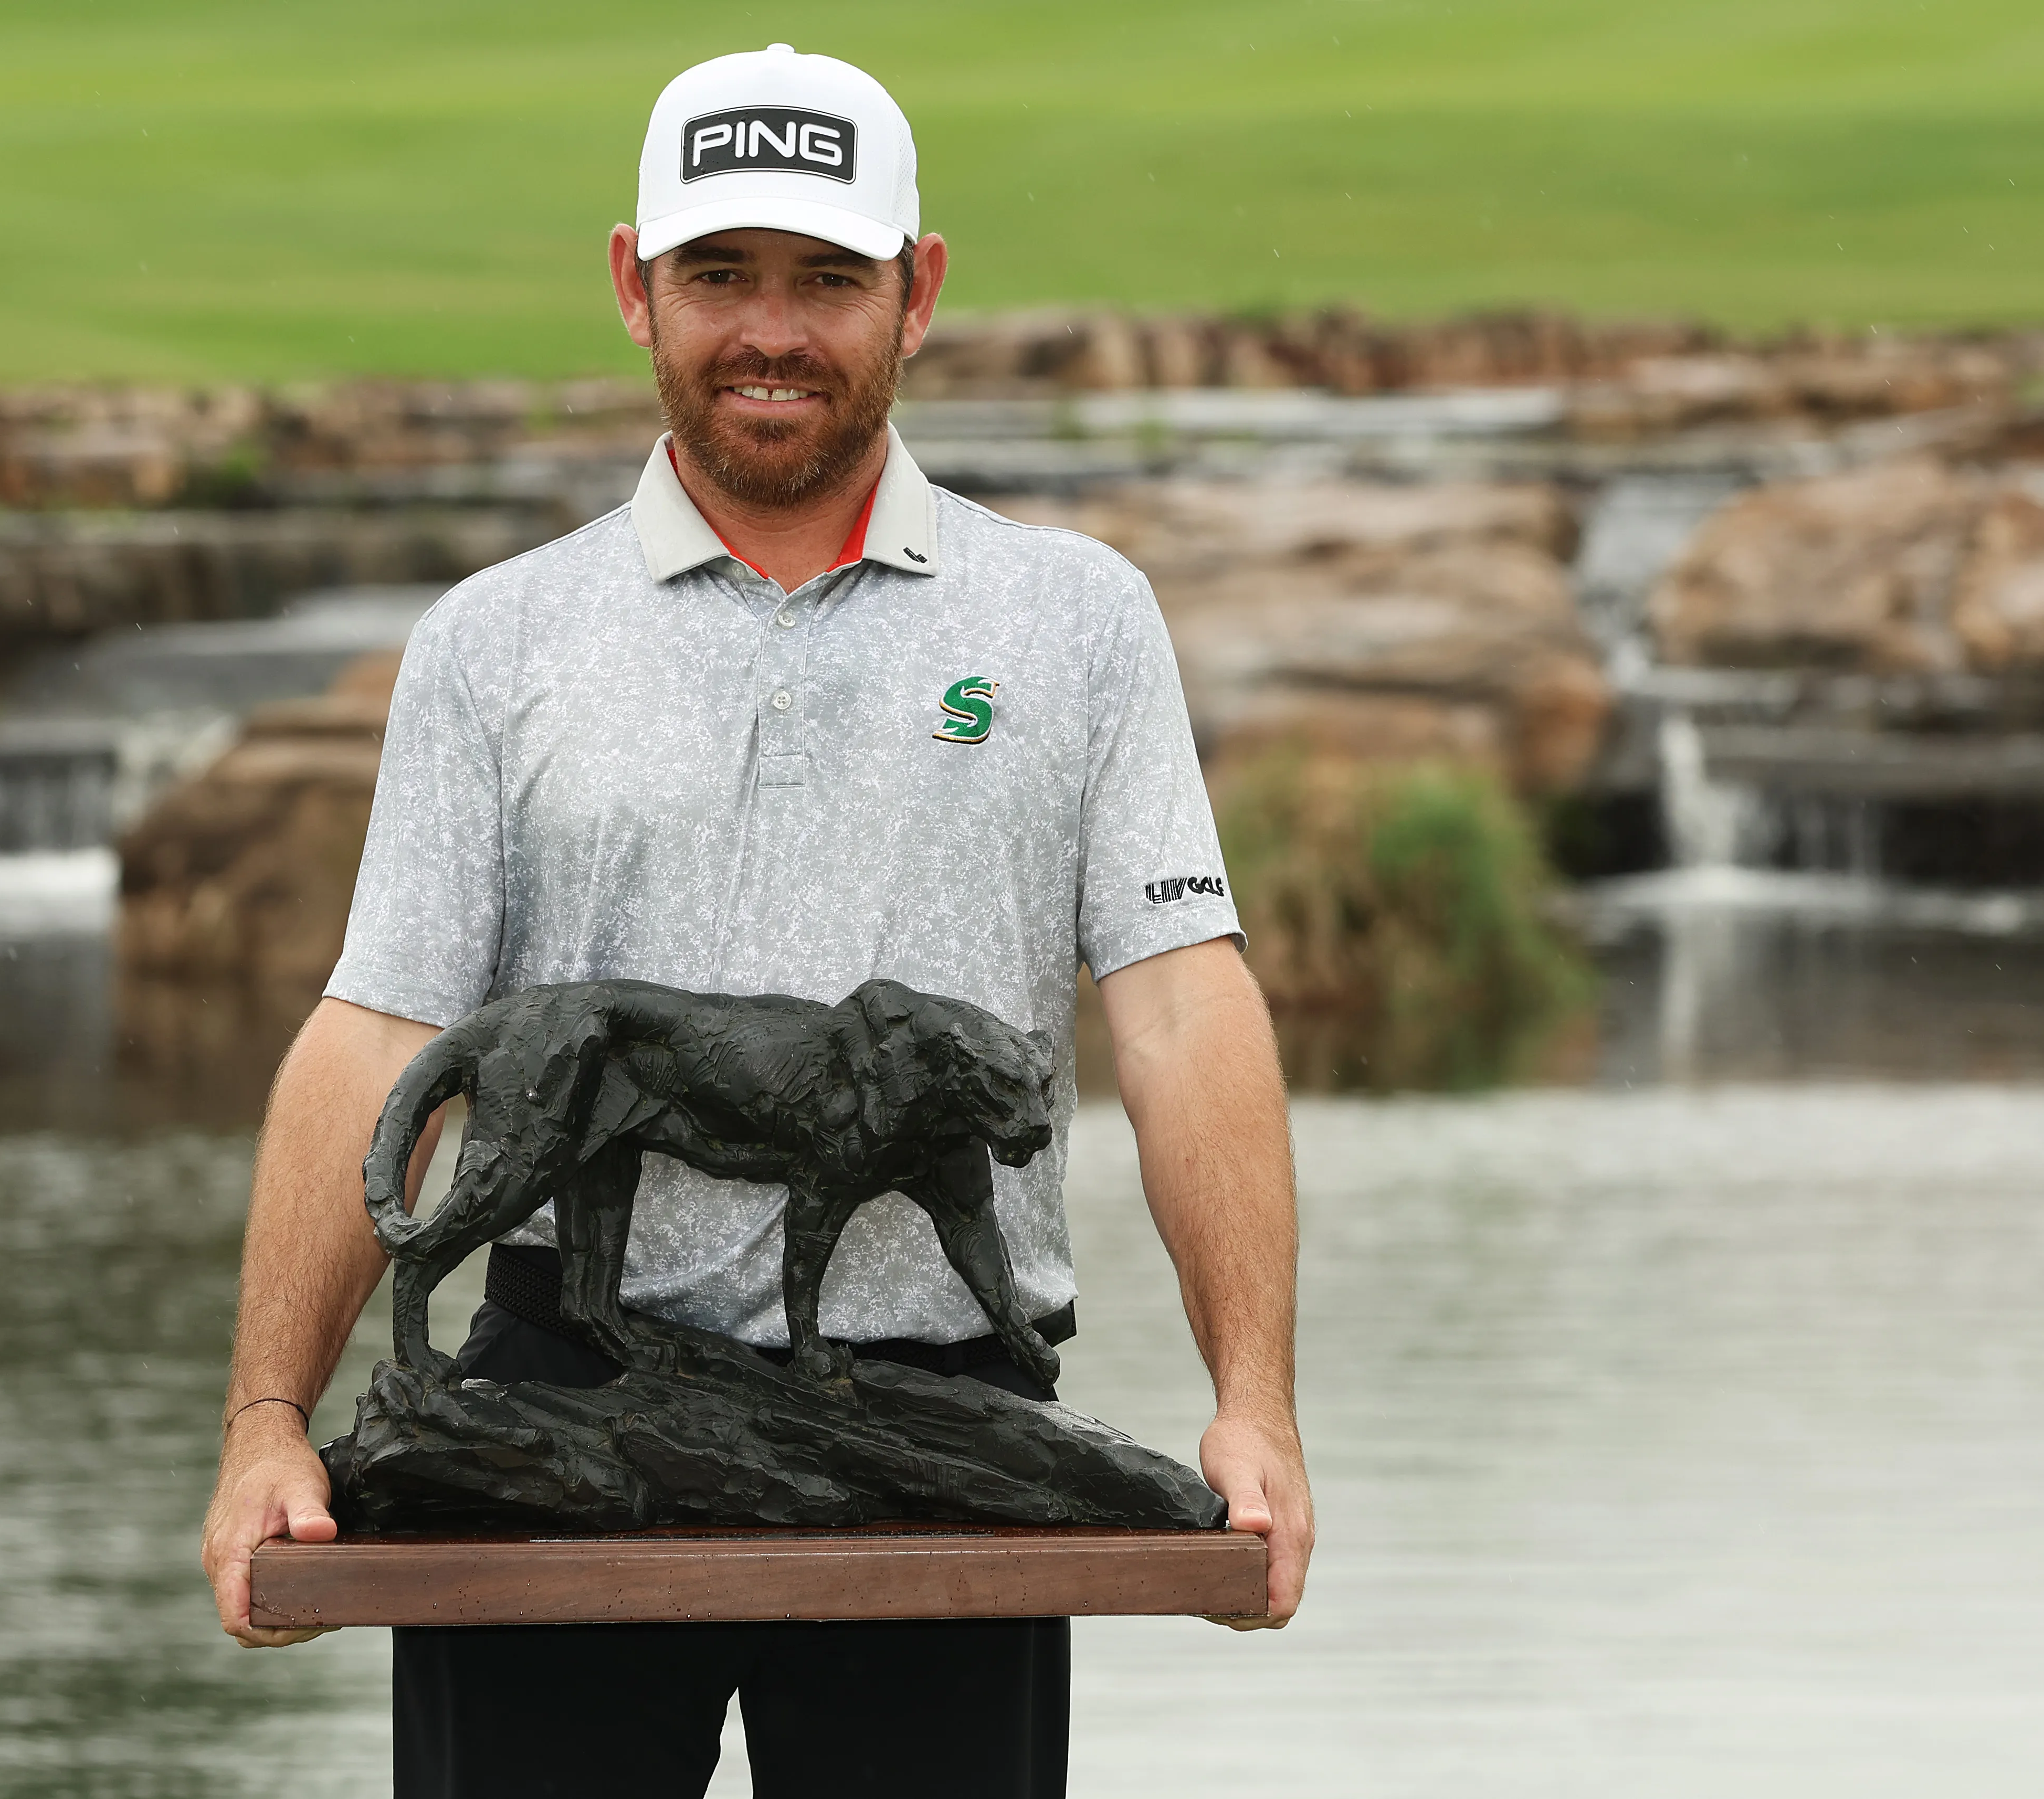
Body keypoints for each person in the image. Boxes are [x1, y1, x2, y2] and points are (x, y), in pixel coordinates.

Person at [201, 43, 1311, 1799]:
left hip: (946, 1437)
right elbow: (386, 1026)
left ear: (917, 292)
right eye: (720, 276)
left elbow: (1179, 1010)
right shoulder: (495, 642)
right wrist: (271, 1415)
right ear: (635, 282)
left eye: (825, 278)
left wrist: (1252, 1394)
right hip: (552, 1416)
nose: (769, 329)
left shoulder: (1074, 619)